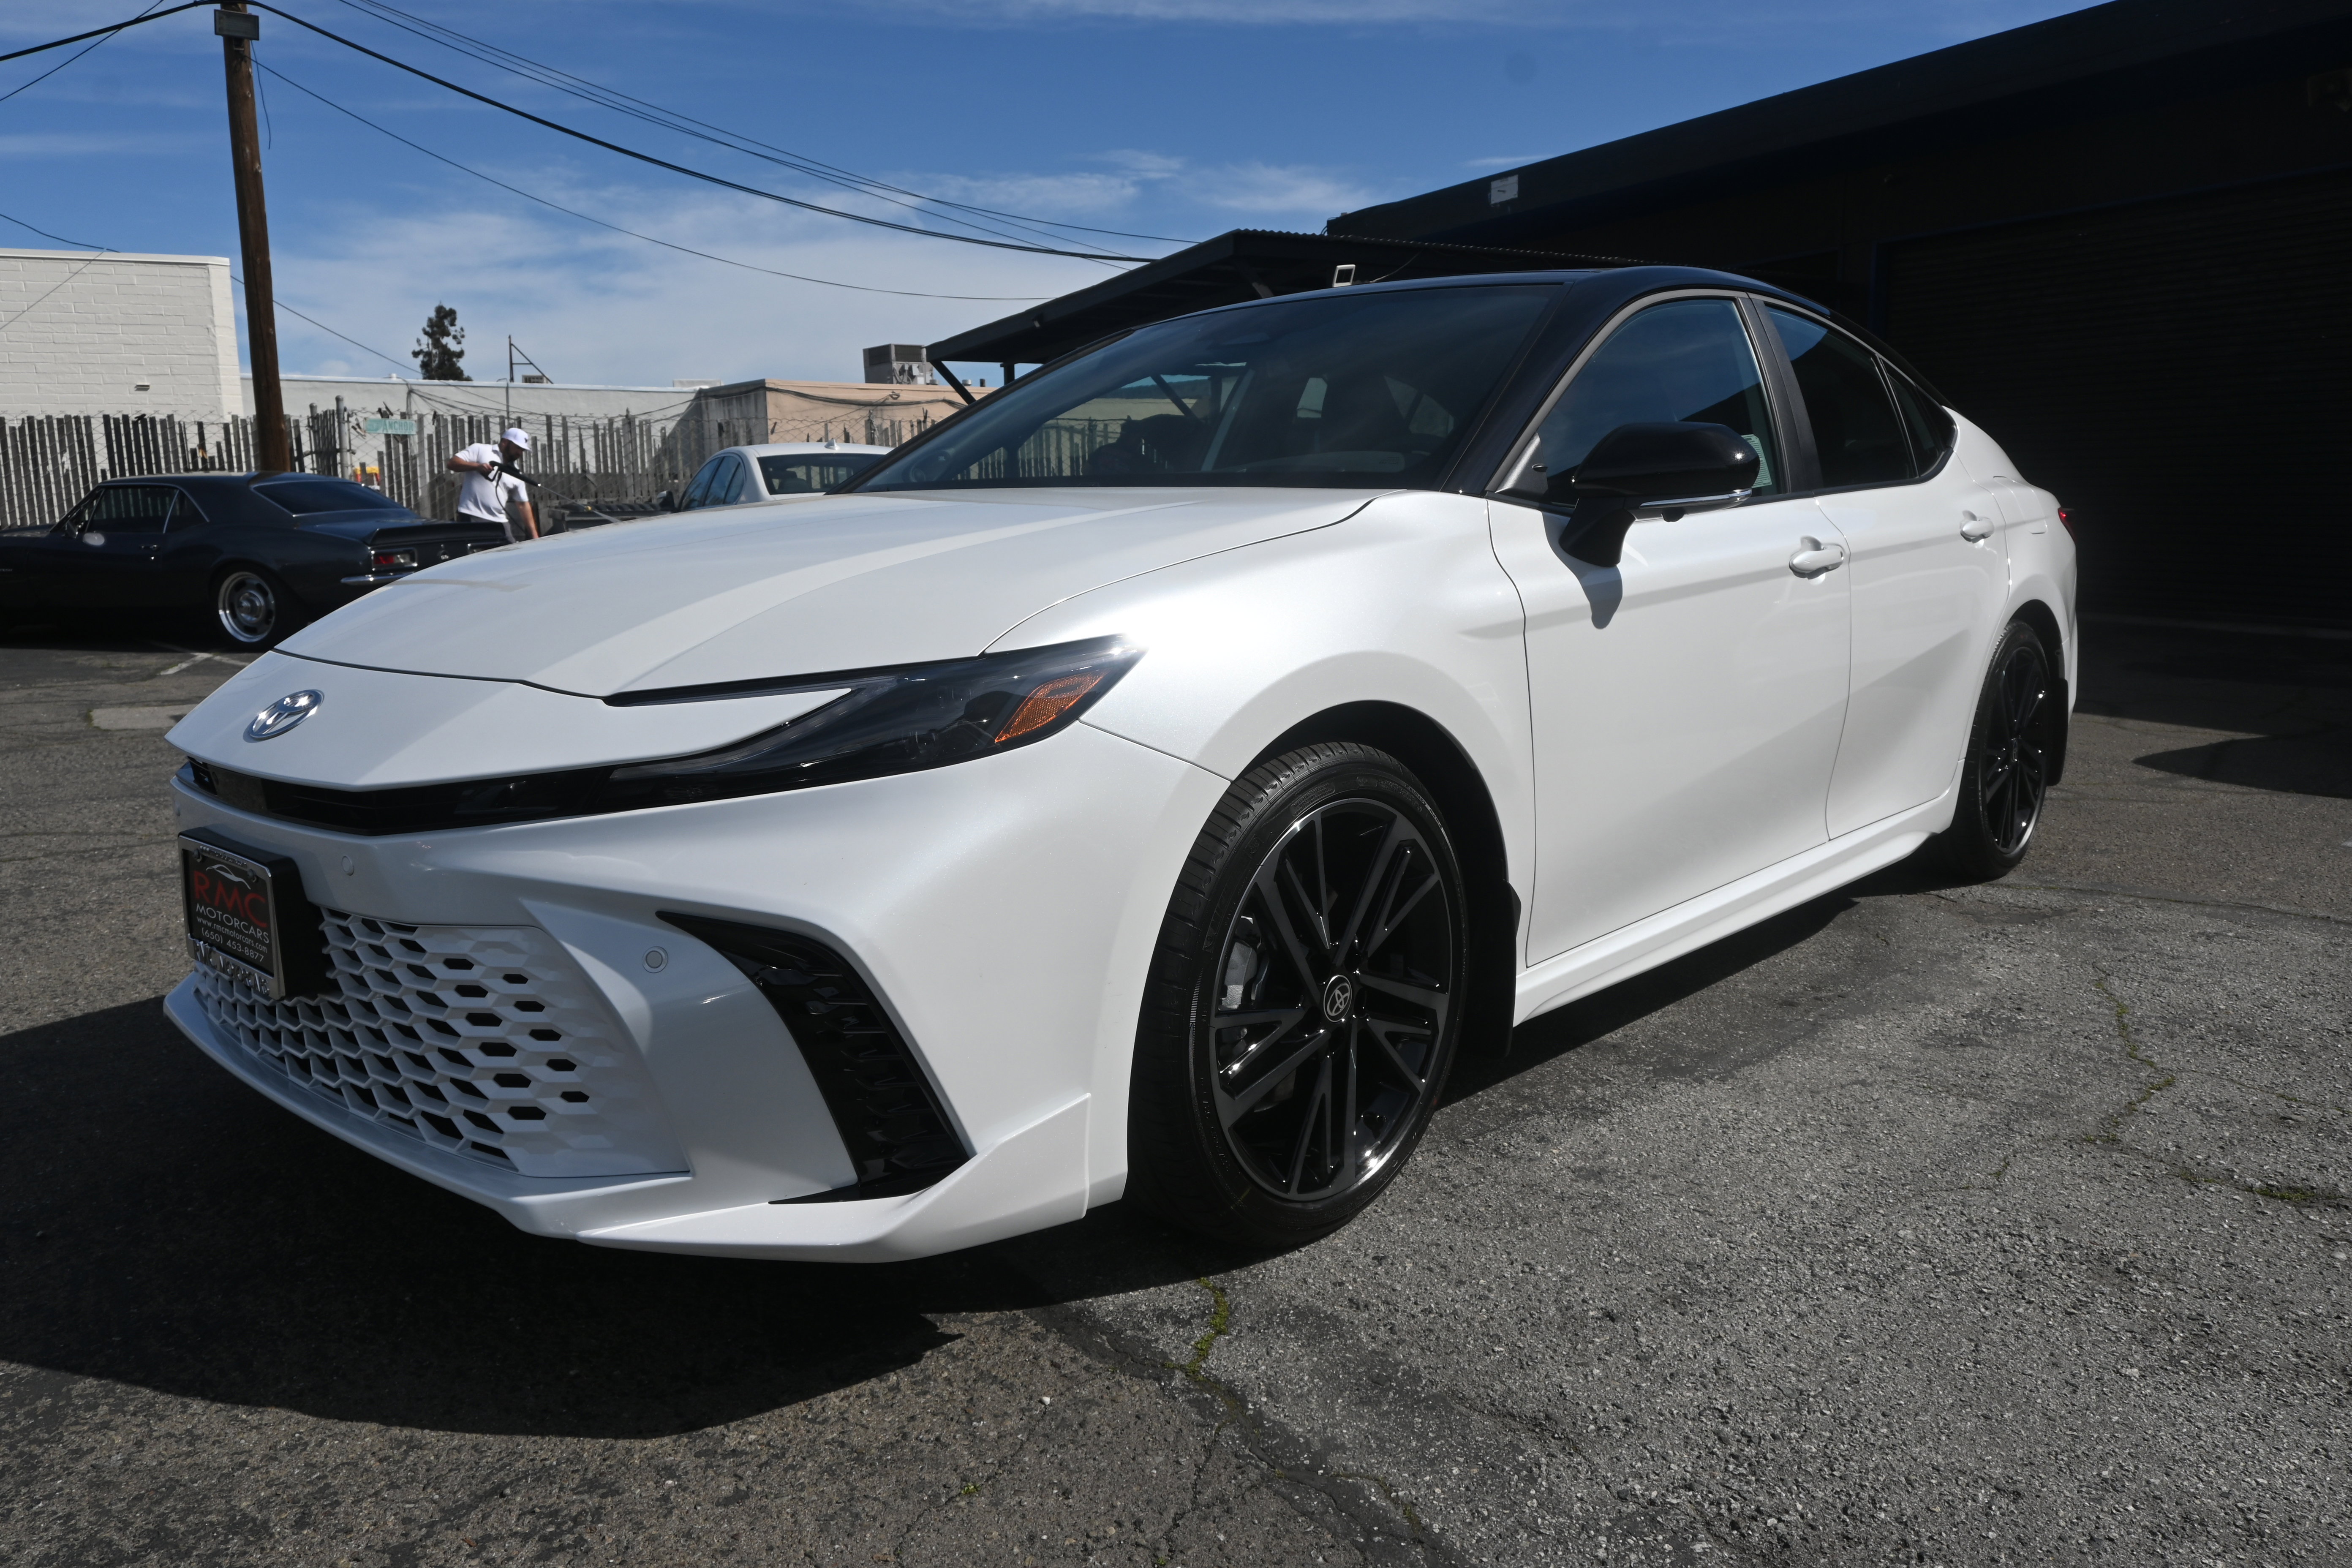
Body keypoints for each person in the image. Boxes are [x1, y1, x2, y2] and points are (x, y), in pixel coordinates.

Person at [447, 427, 537, 540]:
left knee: (511, 554)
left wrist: (535, 536)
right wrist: (477, 467)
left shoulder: (516, 472)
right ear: (505, 442)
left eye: (522, 450)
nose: (519, 453)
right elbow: (452, 463)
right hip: (473, 516)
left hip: (500, 522)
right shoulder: (481, 450)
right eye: (518, 448)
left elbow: (523, 504)